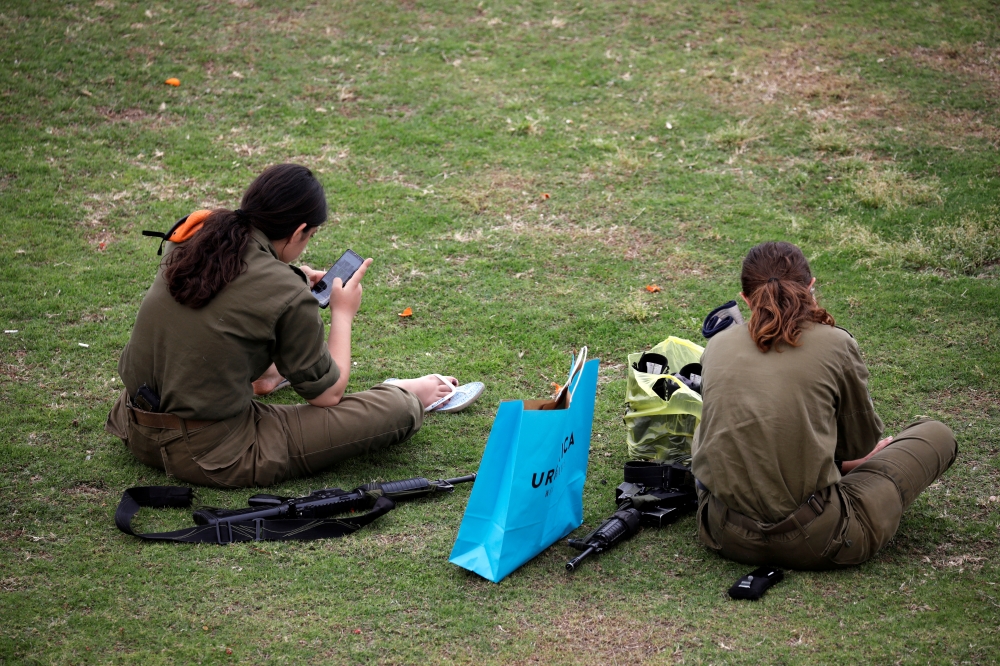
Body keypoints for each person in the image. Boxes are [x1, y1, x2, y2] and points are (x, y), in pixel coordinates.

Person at [106, 163, 469, 488]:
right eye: (310, 236)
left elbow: (230, 302)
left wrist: (292, 278)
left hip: (133, 425)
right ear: (298, 232)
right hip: (209, 451)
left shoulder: (196, 237)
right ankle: (405, 393)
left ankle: (267, 375)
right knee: (396, 413)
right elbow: (327, 396)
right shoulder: (287, 292)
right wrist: (342, 312)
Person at [692, 241, 957, 570]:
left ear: (746, 298)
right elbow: (858, 443)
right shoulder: (835, 343)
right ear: (811, 287)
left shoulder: (717, 345)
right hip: (818, 538)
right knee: (936, 434)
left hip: (723, 532)